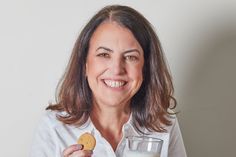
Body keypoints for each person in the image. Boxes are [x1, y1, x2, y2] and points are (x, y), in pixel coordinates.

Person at [30, 5, 187, 157]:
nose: (117, 69)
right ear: (84, 64)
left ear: (145, 68)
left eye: (131, 57)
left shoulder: (164, 124)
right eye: (104, 54)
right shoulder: (54, 128)